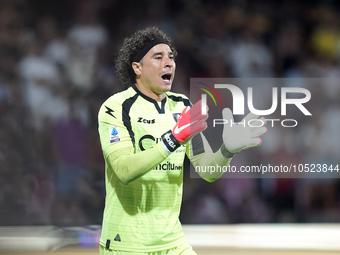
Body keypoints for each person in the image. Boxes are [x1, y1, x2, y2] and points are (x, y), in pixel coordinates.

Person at [98, 27, 267, 255]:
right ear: (137, 67)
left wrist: (226, 150)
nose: (169, 63)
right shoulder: (116, 108)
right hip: (127, 243)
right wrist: (173, 139)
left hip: (173, 243)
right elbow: (124, 170)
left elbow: (207, 169)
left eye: (171, 57)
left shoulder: (182, 106)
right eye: (158, 57)